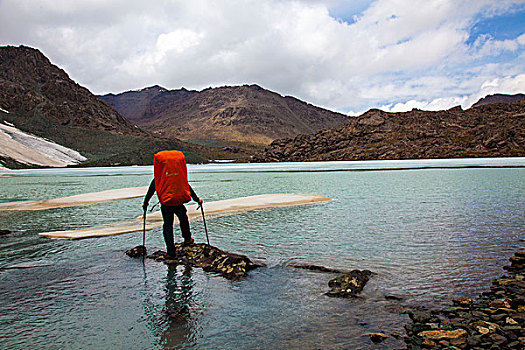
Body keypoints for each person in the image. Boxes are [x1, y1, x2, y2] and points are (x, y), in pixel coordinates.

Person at [142, 150, 202, 256]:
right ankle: (187, 239)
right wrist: (197, 200)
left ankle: (171, 251)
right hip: (178, 202)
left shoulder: (159, 178)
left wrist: (145, 203)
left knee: (168, 226)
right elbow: (188, 188)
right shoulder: (179, 177)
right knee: (183, 219)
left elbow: (151, 191)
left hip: (166, 204)